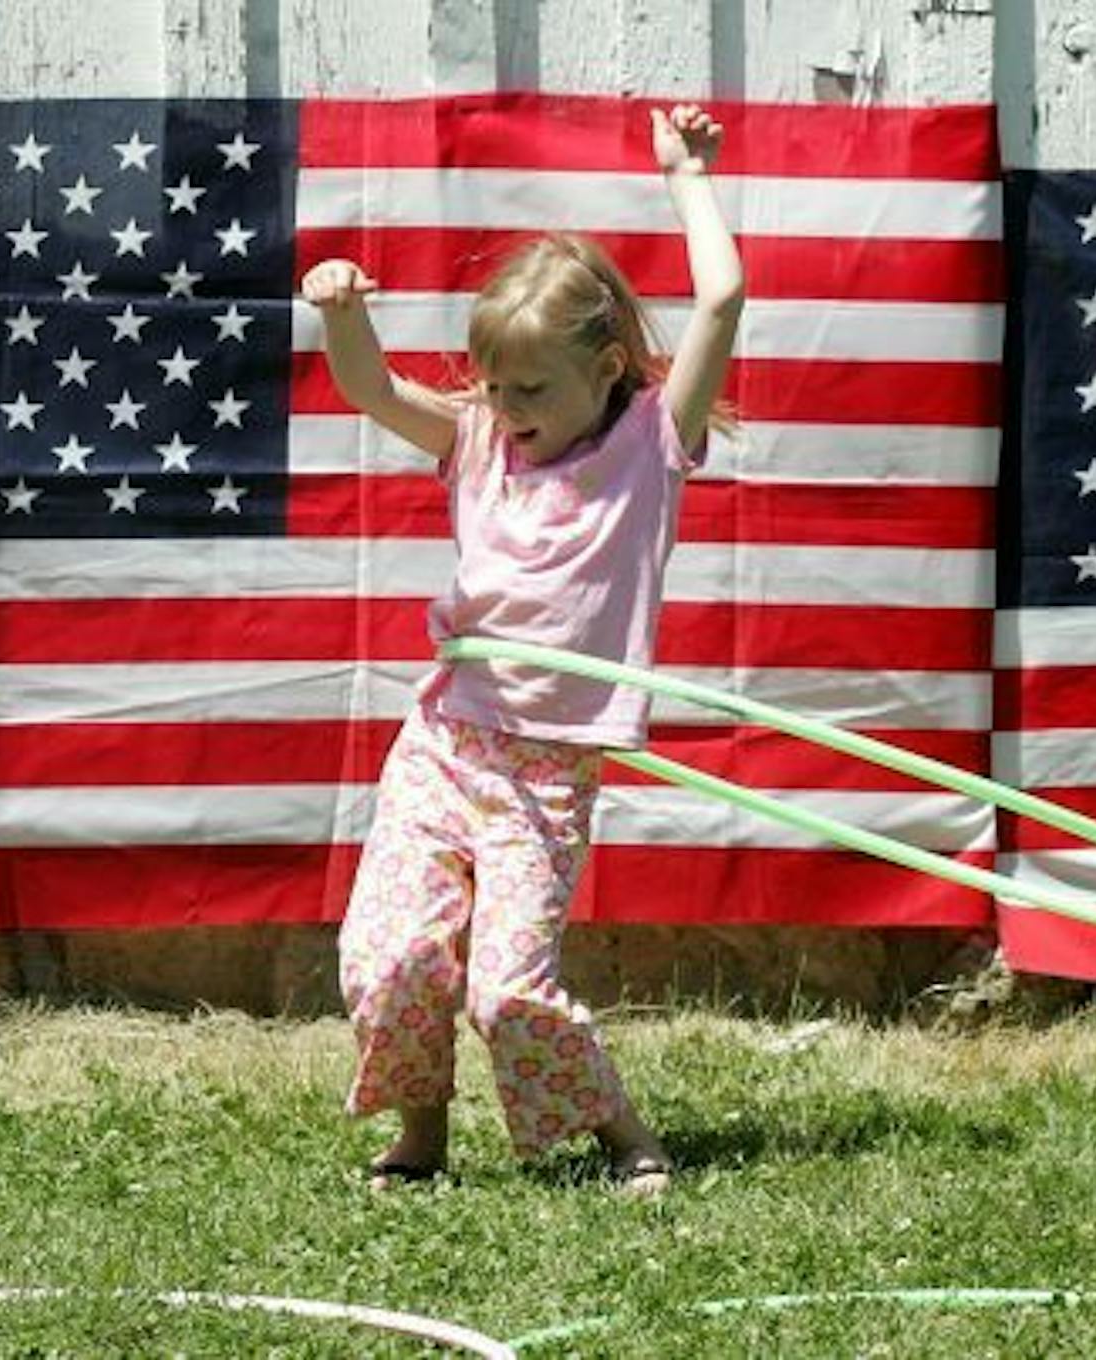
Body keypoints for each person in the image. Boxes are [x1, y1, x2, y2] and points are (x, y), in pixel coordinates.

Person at [299, 105, 743, 1195]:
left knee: (506, 987)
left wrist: (685, 174)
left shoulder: (650, 451)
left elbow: (723, 298)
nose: (506, 407)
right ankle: (422, 1135)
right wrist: (342, 311)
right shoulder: (478, 441)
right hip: (446, 742)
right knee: (393, 953)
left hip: (546, 766)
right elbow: (366, 388)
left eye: (531, 388)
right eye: (495, 384)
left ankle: (624, 1132)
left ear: (607, 367)